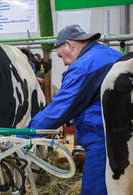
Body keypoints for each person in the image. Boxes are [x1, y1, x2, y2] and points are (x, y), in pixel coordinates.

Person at [24, 24, 123, 194]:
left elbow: (60, 109)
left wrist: (23, 135)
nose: (64, 62)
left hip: (103, 143)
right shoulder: (115, 55)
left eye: (62, 56)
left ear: (69, 44)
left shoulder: (83, 66)